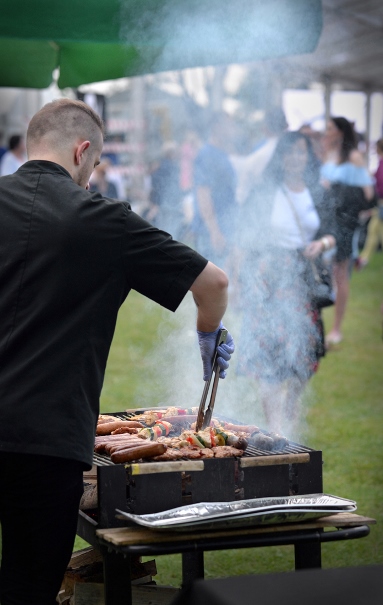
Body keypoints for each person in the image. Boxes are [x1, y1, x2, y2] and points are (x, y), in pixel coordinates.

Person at [0, 98, 235, 605]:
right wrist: (207, 335)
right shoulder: (104, 221)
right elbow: (213, 283)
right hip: (47, 443)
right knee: (28, 588)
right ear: (83, 152)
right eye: (97, 164)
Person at [237, 131, 336, 437]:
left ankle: (291, 409)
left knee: (304, 353)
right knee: (268, 352)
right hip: (268, 277)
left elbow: (336, 232)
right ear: (281, 156)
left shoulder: (318, 191)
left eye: (301, 152)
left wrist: (322, 244)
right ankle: (275, 426)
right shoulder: (266, 191)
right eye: (289, 152)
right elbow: (246, 234)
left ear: (308, 156)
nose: (295, 157)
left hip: (302, 280)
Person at [320, 116, 374, 346]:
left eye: (330, 128)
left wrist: (339, 193)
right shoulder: (329, 155)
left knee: (341, 274)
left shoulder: (353, 157)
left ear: (340, 132)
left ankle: (337, 328)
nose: (327, 132)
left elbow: (368, 194)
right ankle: (321, 323)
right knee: (325, 274)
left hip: (344, 224)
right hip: (326, 223)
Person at [193, 112, 237, 269]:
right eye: (229, 125)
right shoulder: (207, 154)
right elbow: (203, 193)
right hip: (210, 232)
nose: (233, 129)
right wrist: (214, 231)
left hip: (225, 227)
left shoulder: (222, 154)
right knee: (211, 283)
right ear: (217, 127)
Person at [230, 106, 288, 206]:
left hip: (263, 208)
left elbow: (242, 194)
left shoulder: (256, 158)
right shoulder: (300, 153)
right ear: (286, 126)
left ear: (265, 128)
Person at [357, 138, 383, 268]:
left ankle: (363, 259)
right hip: (380, 203)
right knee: (373, 231)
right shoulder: (380, 163)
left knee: (376, 231)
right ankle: (363, 259)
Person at [149, 141, 183, 238]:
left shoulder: (159, 166)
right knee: (171, 231)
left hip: (163, 204)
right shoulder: (172, 167)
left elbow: (154, 185)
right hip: (169, 205)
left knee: (163, 231)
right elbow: (162, 187)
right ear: (171, 153)